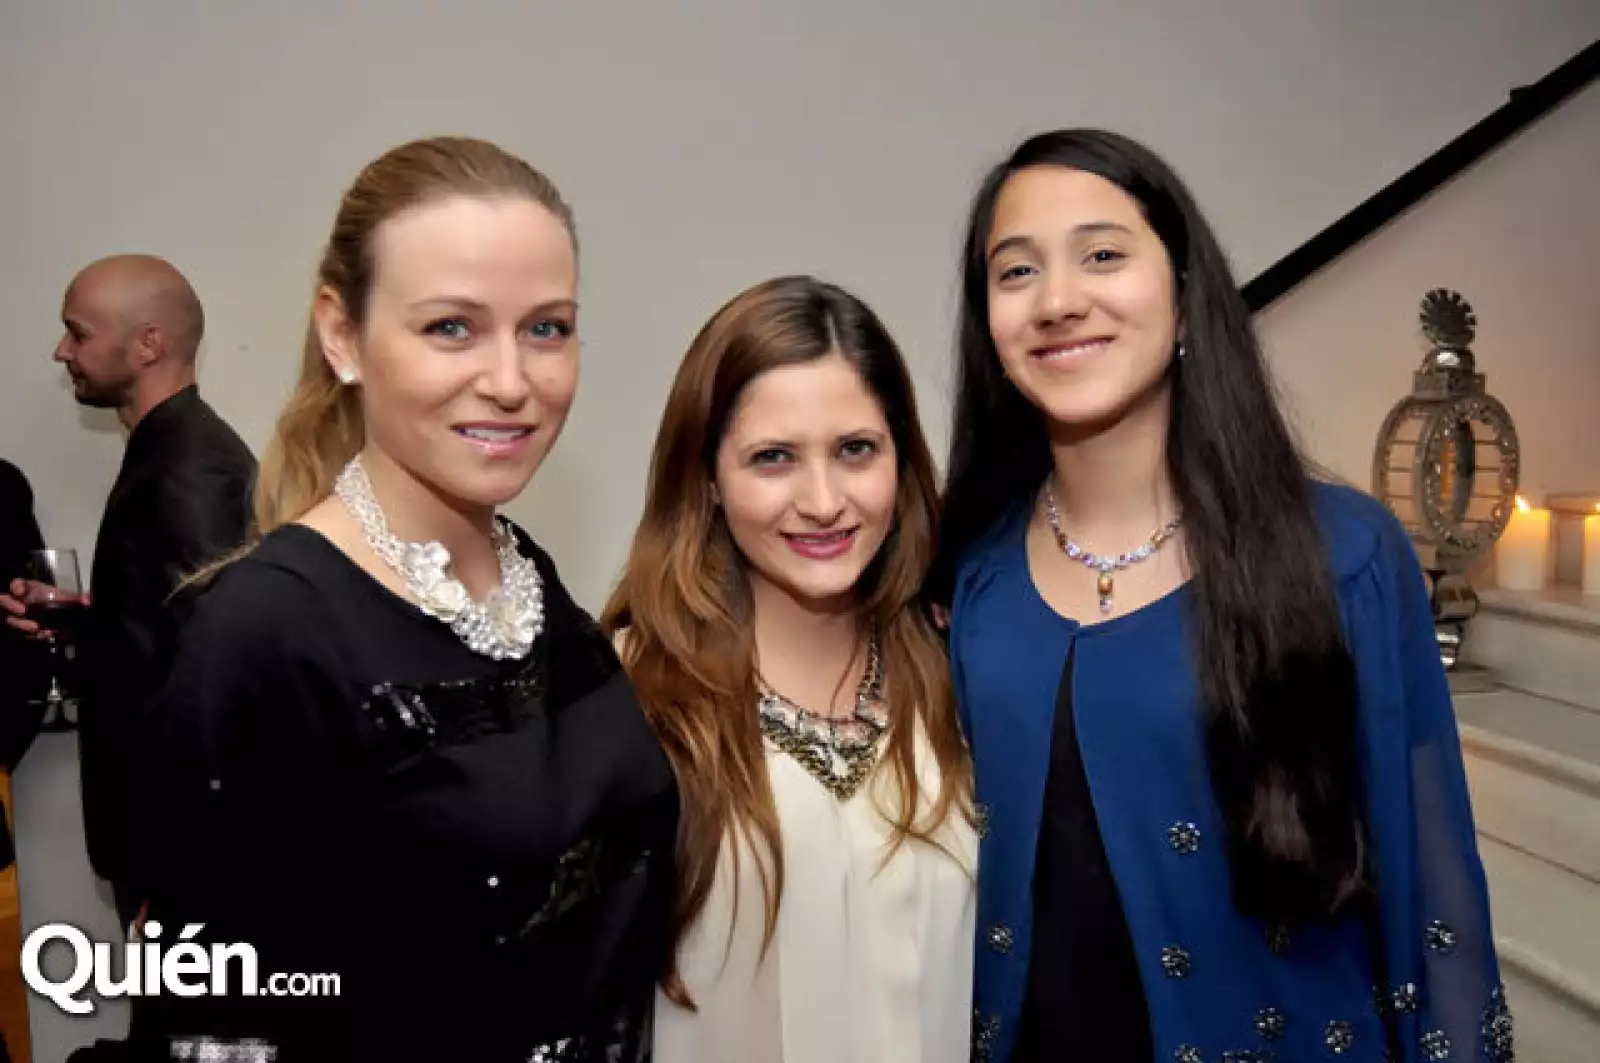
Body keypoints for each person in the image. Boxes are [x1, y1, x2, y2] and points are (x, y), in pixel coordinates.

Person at [932, 129, 1509, 1063]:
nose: (1059, 300)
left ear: (1190, 300)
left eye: (1104, 255)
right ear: (989, 327)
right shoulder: (972, 579)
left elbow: (1431, 907)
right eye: (1016, 272)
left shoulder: (1343, 557)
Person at [132, 136, 677, 1063]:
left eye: (546, 327)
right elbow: (212, 1025)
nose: (512, 382)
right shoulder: (263, 632)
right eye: (451, 328)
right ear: (342, 334)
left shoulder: (523, 573)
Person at [603, 276, 975, 1063]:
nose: (822, 499)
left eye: (855, 450)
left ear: (901, 460)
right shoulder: (630, 697)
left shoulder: (957, 671)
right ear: (706, 478)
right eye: (773, 458)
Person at [0, 256, 256, 926]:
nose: (62, 352)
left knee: (200, 1036)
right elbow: (164, 643)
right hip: (169, 862)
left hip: (185, 871)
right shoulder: (169, 450)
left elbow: (218, 685)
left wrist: (174, 882)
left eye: (77, 333)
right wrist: (88, 626)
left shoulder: (190, 470)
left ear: (149, 344)